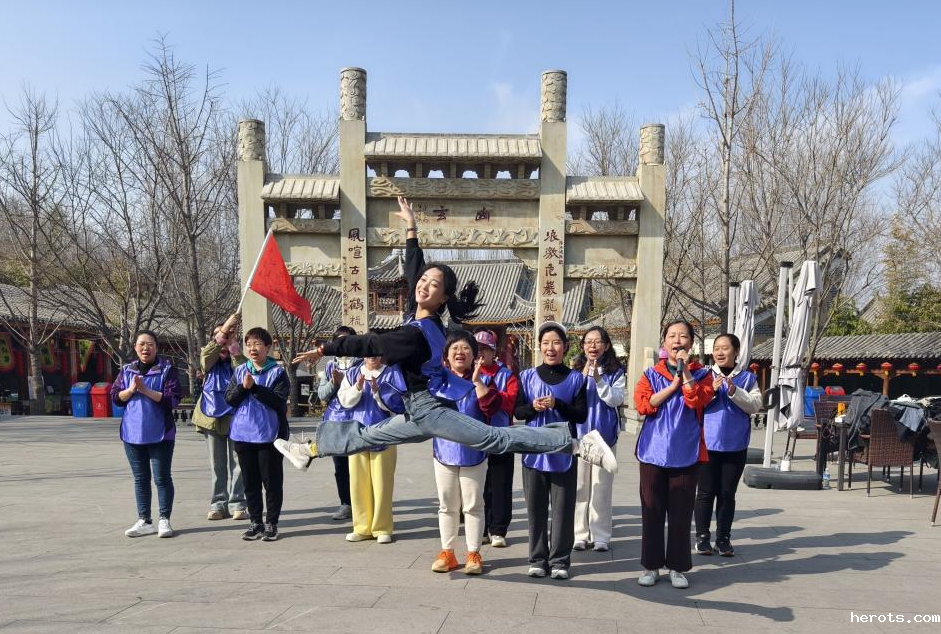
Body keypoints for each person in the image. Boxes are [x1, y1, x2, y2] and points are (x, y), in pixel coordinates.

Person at [275, 196, 616, 476]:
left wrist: (327, 348)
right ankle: (309, 450)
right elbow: (414, 271)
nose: (424, 285)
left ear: (443, 298)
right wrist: (411, 229)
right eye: (424, 281)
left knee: (494, 438)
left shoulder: (416, 333)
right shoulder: (428, 319)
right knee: (367, 435)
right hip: (417, 411)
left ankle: (576, 444)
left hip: (430, 408)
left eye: (434, 285)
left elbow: (371, 343)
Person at [633, 320, 714, 589]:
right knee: (652, 511)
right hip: (653, 452)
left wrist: (686, 372)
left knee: (681, 514)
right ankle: (651, 566)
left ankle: (678, 567)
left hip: (686, 452)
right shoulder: (650, 374)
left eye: (682, 336)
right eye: (671, 336)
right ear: (664, 342)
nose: (677, 341)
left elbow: (697, 400)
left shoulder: (703, 375)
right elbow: (643, 405)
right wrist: (672, 386)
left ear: (691, 342)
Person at [515, 321, 586, 580]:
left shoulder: (577, 379)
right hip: (534, 451)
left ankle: (560, 561)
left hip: (563, 451)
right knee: (535, 509)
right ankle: (537, 558)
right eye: (545, 343)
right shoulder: (526, 377)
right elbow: (518, 412)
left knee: (563, 509)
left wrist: (558, 404)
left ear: (565, 346)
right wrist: (533, 407)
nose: (550, 348)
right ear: (539, 346)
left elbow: (580, 415)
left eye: (556, 343)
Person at [431, 330, 501, 575]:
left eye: (465, 348)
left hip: (474, 452)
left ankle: (474, 553)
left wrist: (477, 381)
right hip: (444, 451)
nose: (460, 353)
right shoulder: (438, 382)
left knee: (473, 505)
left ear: (474, 355)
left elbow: (491, 408)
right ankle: (447, 552)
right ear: (446, 355)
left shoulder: (484, 381)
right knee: (447, 505)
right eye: (455, 348)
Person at [694, 333, 762, 557]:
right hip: (707, 443)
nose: (720, 352)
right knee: (705, 493)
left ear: (736, 352)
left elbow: (755, 405)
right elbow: (693, 403)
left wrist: (734, 391)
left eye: (725, 348)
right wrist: (711, 391)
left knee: (727, 493)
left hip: (736, 444)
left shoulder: (747, 378)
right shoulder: (703, 375)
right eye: (716, 348)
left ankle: (723, 539)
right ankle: (702, 538)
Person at [111, 330, 182, 538]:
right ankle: (144, 520)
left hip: (161, 433)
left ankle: (164, 519)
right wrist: (131, 390)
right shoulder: (127, 371)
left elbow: (173, 399)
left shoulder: (167, 370)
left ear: (156, 348)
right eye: (141, 344)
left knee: (162, 478)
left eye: (150, 344)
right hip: (132, 433)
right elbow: (115, 397)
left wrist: (145, 390)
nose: (145, 348)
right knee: (140, 479)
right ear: (135, 347)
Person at [225, 327, 289, 542]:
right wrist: (243, 388)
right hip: (243, 434)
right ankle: (255, 522)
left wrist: (254, 388)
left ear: (268, 347)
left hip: (269, 435)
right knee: (250, 482)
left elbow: (279, 402)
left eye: (258, 344)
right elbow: (229, 399)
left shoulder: (277, 372)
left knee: (271, 482)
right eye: (249, 344)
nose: (253, 348)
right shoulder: (240, 371)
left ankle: (271, 523)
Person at [338, 353, 405, 544]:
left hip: (385, 434)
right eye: (368, 352)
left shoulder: (391, 373)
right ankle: (361, 527)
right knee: (358, 483)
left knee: (382, 483)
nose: (372, 356)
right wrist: (358, 388)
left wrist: (377, 392)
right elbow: (344, 400)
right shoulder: (353, 373)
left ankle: (382, 527)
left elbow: (398, 405)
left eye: (375, 351)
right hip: (357, 434)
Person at [571, 326, 626, 553]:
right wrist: (583, 377)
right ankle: (579, 534)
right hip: (580, 436)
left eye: (597, 341)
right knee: (580, 486)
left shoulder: (615, 371)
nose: (592, 346)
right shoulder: (575, 370)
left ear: (606, 346)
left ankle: (601, 535)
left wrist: (599, 380)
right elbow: (570, 397)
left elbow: (616, 399)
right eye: (588, 341)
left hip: (605, 436)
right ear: (583, 346)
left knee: (601, 487)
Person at [192, 313, 248, 521]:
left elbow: (243, 372)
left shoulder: (239, 358)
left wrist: (234, 347)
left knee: (239, 463)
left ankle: (238, 503)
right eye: (219, 337)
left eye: (227, 337)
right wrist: (224, 331)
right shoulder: (208, 359)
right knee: (217, 465)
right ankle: (218, 503)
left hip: (237, 418)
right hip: (211, 418)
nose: (223, 341)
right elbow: (206, 357)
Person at [474, 328, 518, 548]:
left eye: (485, 349)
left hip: (502, 436)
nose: (481, 353)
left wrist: (488, 393)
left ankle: (498, 529)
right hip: (476, 437)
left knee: (500, 484)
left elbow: (511, 401)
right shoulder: (468, 373)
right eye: (477, 349)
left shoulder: (506, 375)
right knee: (478, 485)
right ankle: (480, 528)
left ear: (494, 352)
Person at [318, 326, 359, 521]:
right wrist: (334, 383)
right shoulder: (329, 366)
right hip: (335, 420)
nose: (343, 346)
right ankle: (346, 503)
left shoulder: (362, 363)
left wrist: (346, 383)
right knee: (340, 467)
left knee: (358, 465)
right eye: (339, 342)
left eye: (347, 341)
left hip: (357, 420)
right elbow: (322, 395)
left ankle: (362, 503)